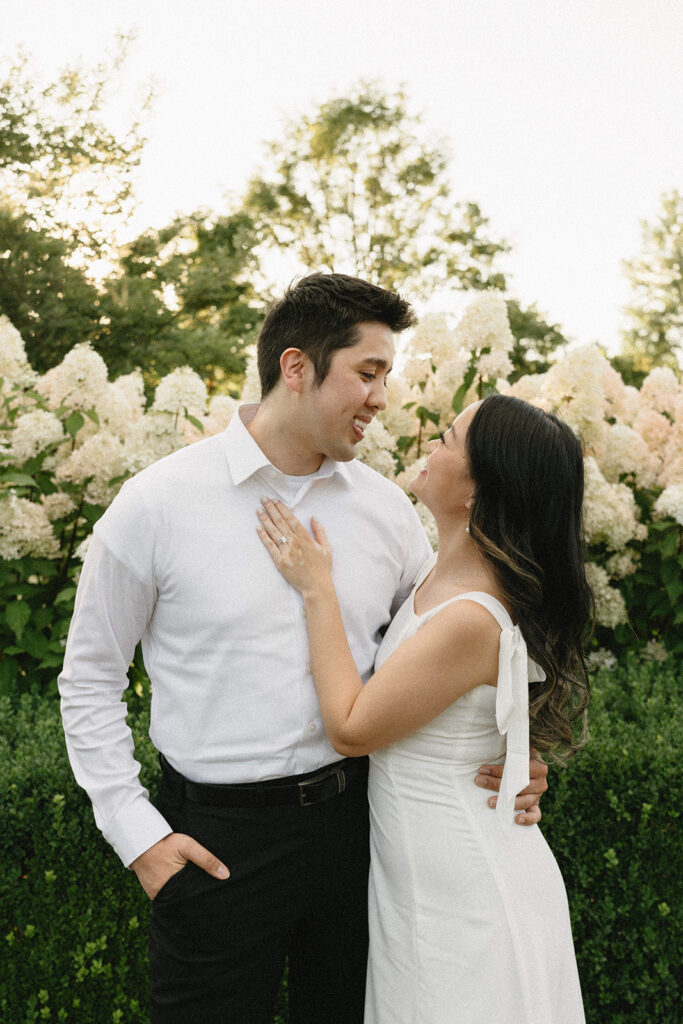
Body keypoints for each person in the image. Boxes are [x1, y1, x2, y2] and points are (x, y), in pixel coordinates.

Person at [58, 274, 549, 1024]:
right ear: (296, 368)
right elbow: (88, 677)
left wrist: (511, 752)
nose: (381, 398)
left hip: (358, 837)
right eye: (368, 372)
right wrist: (139, 837)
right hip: (217, 843)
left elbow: (441, 653)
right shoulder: (157, 504)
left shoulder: (387, 513)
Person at [257, 393, 591, 1024]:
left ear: (478, 491)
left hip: (461, 884)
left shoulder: (469, 617)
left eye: (447, 438)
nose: (430, 445)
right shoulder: (439, 571)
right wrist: (524, 756)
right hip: (422, 872)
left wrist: (316, 588)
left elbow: (352, 729)